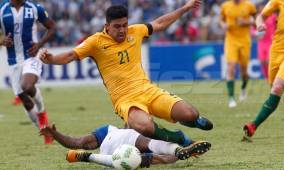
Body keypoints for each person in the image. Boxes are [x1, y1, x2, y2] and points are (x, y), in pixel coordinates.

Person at [39, 0, 213, 146]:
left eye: (124, 25)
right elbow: (70, 55)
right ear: (106, 26)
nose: (122, 30)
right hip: (125, 99)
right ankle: (179, 138)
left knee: (190, 113)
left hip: (148, 90)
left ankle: (193, 120)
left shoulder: (135, 31)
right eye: (117, 27)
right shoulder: (95, 42)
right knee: (144, 126)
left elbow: (159, 23)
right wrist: (51, 59)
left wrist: (184, 8)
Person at [0, 0, 56, 144]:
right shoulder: (2, 9)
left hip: (32, 55)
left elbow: (52, 27)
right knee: (25, 100)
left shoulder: (34, 8)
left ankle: (42, 111)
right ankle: (44, 129)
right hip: (13, 61)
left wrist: (39, 44)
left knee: (27, 86)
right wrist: (2, 40)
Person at [243, 0, 284, 140]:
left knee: (276, 88)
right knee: (274, 85)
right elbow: (260, 16)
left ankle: (253, 125)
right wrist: (259, 24)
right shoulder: (278, 1)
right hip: (276, 51)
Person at [40, 124, 211, 168]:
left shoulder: (108, 131)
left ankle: (87, 157)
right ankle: (180, 151)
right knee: (156, 150)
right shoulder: (110, 130)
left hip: (116, 159)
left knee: (148, 156)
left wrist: (56, 135)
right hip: (120, 149)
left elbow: (77, 143)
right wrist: (56, 134)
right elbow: (78, 142)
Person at [220, 0, 256, 108]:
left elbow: (257, 20)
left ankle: (243, 89)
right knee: (230, 67)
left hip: (245, 41)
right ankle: (231, 98)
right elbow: (221, 20)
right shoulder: (225, 6)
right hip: (231, 40)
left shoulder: (249, 5)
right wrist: (223, 25)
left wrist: (247, 22)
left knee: (244, 72)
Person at [256, 3, 276, 80]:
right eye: (260, 8)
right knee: (262, 62)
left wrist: (274, 34)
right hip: (261, 42)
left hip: (270, 42)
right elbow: (252, 30)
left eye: (263, 8)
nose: (262, 9)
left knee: (269, 61)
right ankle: (267, 78)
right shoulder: (258, 18)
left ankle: (272, 78)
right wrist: (256, 33)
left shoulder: (273, 17)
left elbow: (278, 26)